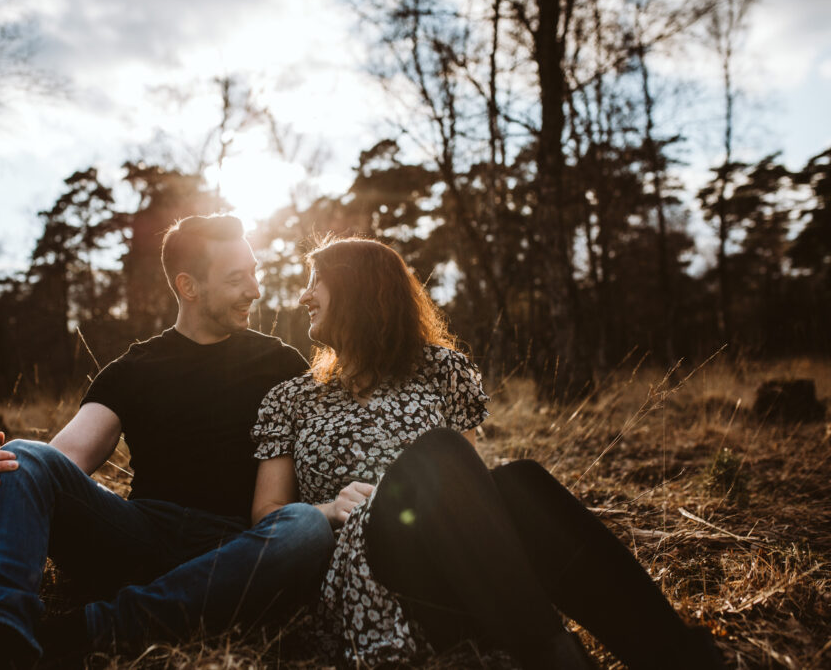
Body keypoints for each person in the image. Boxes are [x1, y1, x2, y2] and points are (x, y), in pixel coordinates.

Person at [251, 237, 724, 669]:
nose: (303, 296)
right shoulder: (290, 399)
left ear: (358, 289)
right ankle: (553, 657)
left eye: (316, 280)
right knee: (441, 452)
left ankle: (678, 658)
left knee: (520, 480)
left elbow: (471, 490)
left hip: (460, 571)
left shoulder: (441, 370)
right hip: (366, 576)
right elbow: (266, 516)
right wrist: (330, 509)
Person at [0, 215, 335, 669]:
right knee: (20, 456)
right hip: (137, 537)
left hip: (235, 551)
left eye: (255, 273)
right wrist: (15, 471)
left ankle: (94, 630)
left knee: (306, 529)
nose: (254, 290)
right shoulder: (134, 368)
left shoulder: (281, 363)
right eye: (236, 279)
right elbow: (64, 458)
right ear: (188, 287)